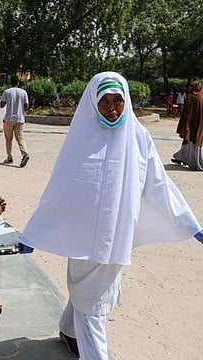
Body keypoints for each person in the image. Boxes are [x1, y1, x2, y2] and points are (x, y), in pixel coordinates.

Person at [19, 71, 203, 360]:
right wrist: (34, 233)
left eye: (118, 100)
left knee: (92, 291)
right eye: (104, 101)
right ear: (93, 102)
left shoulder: (138, 136)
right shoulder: (81, 138)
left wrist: (189, 223)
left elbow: (158, 183)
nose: (112, 108)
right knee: (93, 302)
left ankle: (69, 330)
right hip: (82, 236)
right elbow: (59, 188)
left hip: (117, 232)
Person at [171, 81, 203, 170]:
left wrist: (185, 125)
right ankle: (180, 157)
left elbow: (187, 113)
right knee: (194, 142)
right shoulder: (201, 95)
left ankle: (191, 160)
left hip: (192, 124)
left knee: (190, 141)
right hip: (199, 125)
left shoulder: (191, 97)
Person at [0, 75, 30, 167]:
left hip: (9, 118)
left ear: (10, 82)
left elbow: (1, 105)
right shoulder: (23, 92)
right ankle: (25, 153)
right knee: (20, 138)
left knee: (8, 138)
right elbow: (26, 106)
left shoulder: (7, 92)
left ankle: (9, 157)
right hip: (20, 118)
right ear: (18, 82)